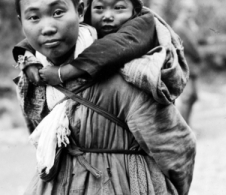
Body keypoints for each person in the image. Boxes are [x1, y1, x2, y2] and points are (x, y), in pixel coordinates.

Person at [14, 0, 196, 195]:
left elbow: (175, 148)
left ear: (80, 12)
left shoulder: (126, 79)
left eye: (58, 12)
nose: (48, 28)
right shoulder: (33, 81)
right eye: (33, 17)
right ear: (21, 22)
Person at [14, 0, 189, 133]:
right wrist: (27, 57)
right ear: (86, 10)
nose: (107, 15)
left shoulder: (144, 23)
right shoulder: (87, 29)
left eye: (119, 7)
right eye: (99, 8)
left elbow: (114, 46)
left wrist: (62, 73)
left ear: (135, 9)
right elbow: (40, 36)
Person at [172, 0, 201, 124]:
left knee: (193, 97)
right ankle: (183, 127)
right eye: (188, 11)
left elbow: (198, 40)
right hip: (184, 65)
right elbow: (192, 46)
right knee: (187, 96)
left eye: (192, 11)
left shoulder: (190, 25)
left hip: (192, 66)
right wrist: (200, 55)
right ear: (181, 11)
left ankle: (187, 124)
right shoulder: (179, 26)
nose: (190, 14)